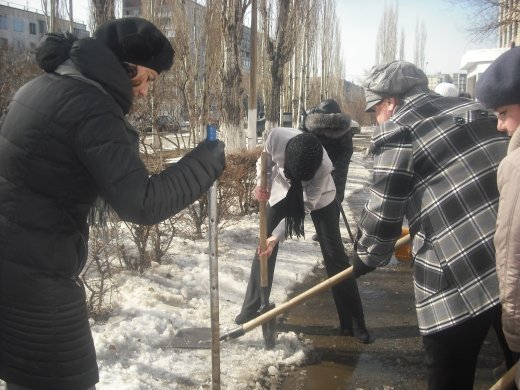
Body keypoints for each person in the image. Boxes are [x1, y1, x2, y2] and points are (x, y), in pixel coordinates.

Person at [0, 17, 225, 390]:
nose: (145, 93)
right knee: (67, 379)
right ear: (126, 66)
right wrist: (207, 161)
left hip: (13, 263)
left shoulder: (42, 85)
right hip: (36, 277)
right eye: (148, 79)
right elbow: (141, 203)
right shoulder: (92, 107)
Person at [353, 60, 509, 389]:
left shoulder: (398, 129)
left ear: (390, 102)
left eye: (374, 110)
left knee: (449, 372)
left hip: (457, 272)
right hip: (511, 258)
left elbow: (384, 211)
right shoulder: (475, 107)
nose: (375, 119)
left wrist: (366, 256)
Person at [234, 128, 369, 343]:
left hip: (320, 199)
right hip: (282, 191)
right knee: (263, 244)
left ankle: (354, 322)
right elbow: (264, 165)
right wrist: (262, 187)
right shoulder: (276, 138)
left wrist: (278, 236)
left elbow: (305, 207)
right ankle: (253, 307)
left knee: (335, 255)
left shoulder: (324, 167)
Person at [475, 46, 520, 388]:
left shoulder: (517, 167)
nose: (500, 125)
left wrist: (514, 334)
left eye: (503, 112)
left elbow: (512, 255)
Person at [300, 99, 354, 241]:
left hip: (336, 167)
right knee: (317, 197)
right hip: (318, 166)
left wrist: (338, 170)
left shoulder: (342, 129)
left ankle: (332, 232)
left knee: (335, 198)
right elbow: (302, 140)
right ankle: (322, 230)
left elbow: (346, 151)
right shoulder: (312, 124)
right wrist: (304, 122)